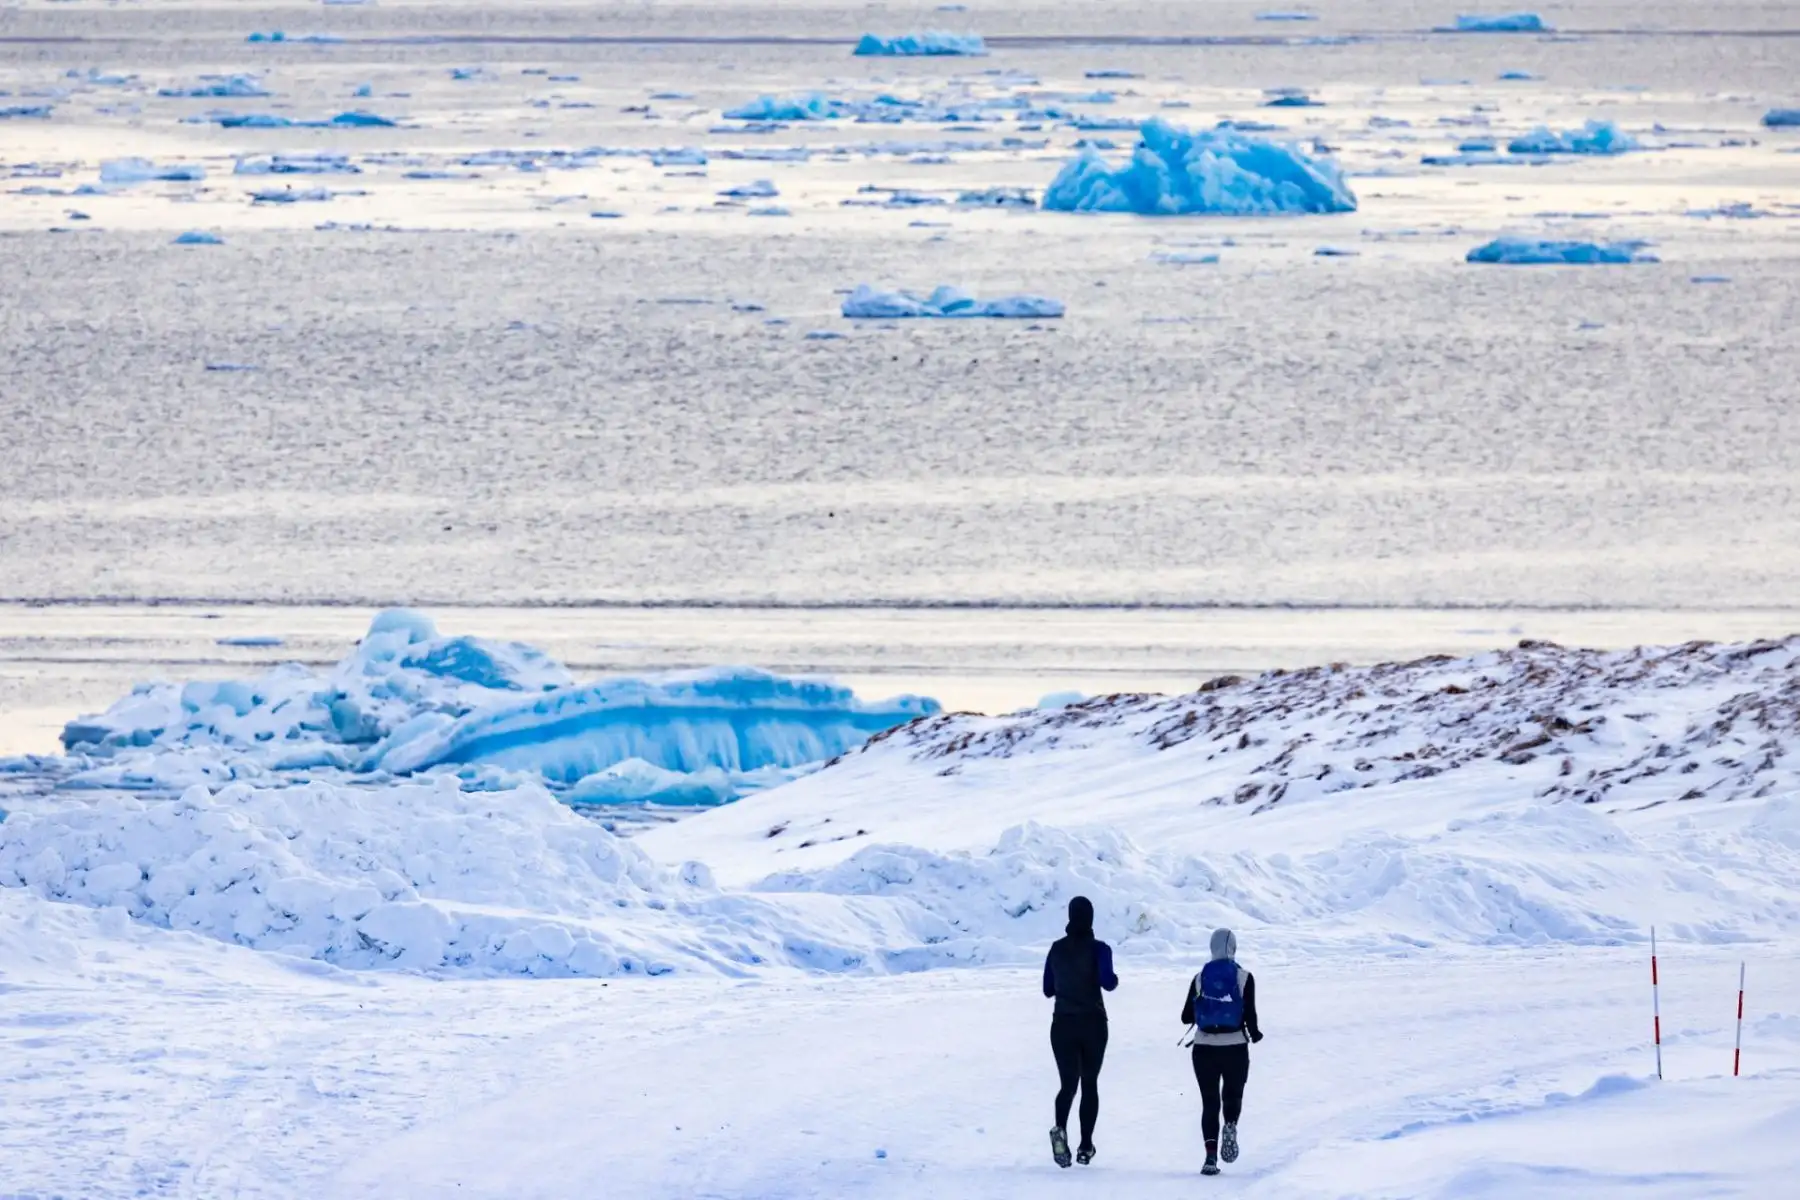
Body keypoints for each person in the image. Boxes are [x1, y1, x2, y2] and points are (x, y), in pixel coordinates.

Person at [1041, 895, 1118, 1168]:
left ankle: (1060, 1130)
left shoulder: (1056, 949)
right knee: (1090, 1083)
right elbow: (1108, 983)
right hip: (1093, 1024)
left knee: (1067, 1085)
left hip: (1062, 1024)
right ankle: (1086, 1146)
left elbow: (1048, 989)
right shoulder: (1100, 949)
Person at [1180, 927, 1262, 1177]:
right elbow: (1250, 1016)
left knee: (1209, 1102)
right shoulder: (1244, 977)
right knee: (1232, 1095)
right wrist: (1255, 1034)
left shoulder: (1199, 978)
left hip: (1204, 1049)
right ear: (1233, 948)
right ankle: (1230, 1124)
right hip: (1235, 1047)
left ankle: (1210, 1157)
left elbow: (1185, 1017)